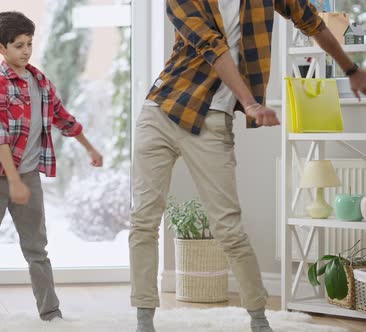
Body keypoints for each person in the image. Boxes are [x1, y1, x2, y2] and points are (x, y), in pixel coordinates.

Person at [130, 1, 366, 332]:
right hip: (161, 112)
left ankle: (258, 318)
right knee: (143, 218)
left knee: (228, 227)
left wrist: (351, 70)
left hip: (212, 121)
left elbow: (312, 22)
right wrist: (251, 102)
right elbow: (213, 47)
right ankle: (144, 319)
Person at [0, 11, 103, 326]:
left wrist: (89, 148)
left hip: (28, 176)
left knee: (37, 249)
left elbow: (63, 118)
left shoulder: (41, 81)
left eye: (29, 43)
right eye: (18, 45)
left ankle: (51, 313)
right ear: (0, 48)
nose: (25, 50)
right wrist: (13, 181)